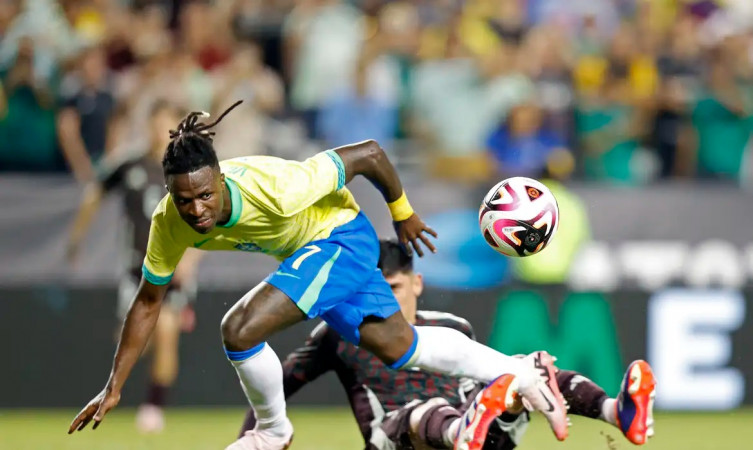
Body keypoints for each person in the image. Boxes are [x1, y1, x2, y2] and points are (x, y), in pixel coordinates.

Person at [67, 100, 569, 450]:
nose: (197, 209)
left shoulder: (277, 187)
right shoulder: (168, 222)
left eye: (205, 195)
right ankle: (521, 371)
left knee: (239, 328)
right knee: (400, 347)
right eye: (185, 199)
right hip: (318, 253)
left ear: (221, 178)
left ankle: (272, 431)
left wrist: (403, 213)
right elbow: (148, 301)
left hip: (341, 237)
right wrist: (114, 386)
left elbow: (370, 152)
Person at [239, 240, 657, 449]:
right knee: (424, 412)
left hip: (476, 432)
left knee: (523, 368)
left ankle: (617, 412)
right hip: (395, 440)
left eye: (395, 287)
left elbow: (479, 382)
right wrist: (258, 437)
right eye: (375, 290)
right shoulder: (340, 334)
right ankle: (462, 430)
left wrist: (514, 385)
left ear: (417, 283)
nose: (385, 299)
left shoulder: (451, 327)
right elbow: (281, 382)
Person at [66, 100, 202, 433]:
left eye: (168, 124)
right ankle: (117, 386)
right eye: (157, 123)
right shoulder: (129, 164)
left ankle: (153, 407)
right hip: (135, 270)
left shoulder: (188, 171)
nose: (161, 131)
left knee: (167, 330)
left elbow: (205, 223)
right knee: (134, 341)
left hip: (172, 268)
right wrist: (77, 238)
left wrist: (191, 261)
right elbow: (95, 193)